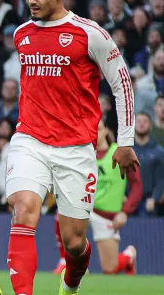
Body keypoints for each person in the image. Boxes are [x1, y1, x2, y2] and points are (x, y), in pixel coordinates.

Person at [2, 0, 138, 295]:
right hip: (29, 139)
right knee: (24, 207)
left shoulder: (88, 33)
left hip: (76, 150)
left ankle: (72, 284)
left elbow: (121, 82)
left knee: (74, 242)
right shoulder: (22, 34)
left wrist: (125, 142)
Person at [53, 118, 140, 275]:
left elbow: (137, 186)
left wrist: (125, 212)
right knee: (62, 213)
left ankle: (129, 256)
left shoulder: (120, 152)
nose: (95, 133)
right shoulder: (82, 155)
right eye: (91, 129)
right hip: (84, 207)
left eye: (99, 129)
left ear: (106, 130)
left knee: (110, 269)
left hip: (106, 214)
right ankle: (64, 260)